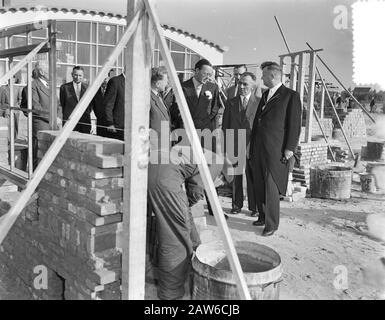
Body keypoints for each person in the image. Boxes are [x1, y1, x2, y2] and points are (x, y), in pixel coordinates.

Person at [147, 145, 231, 300]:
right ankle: (170, 294)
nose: (216, 186)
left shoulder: (203, 155)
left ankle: (147, 272)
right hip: (165, 176)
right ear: (222, 176)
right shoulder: (216, 164)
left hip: (148, 167)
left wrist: (197, 242)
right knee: (176, 240)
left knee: (152, 226)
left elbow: (185, 206)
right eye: (220, 184)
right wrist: (186, 210)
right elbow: (195, 191)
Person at [249, 61, 302, 236]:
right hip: (259, 147)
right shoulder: (265, 95)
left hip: (276, 149)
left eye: (263, 75)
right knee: (259, 183)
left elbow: (294, 124)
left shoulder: (290, 96)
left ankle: (271, 224)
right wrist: (251, 144)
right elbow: (258, 121)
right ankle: (263, 216)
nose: (261, 77)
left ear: (272, 76)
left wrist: (290, 148)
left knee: (271, 186)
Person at [222, 72, 259, 216]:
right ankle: (236, 205)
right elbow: (225, 126)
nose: (242, 86)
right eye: (240, 83)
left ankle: (254, 208)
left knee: (252, 176)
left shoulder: (259, 102)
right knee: (236, 176)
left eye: (246, 84)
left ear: (253, 85)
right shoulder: (231, 102)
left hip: (252, 145)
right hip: (234, 143)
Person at [31, 63, 59, 169]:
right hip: (42, 124)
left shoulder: (50, 84)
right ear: (41, 72)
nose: (53, 73)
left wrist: (59, 117)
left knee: (50, 155)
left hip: (54, 124)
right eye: (50, 70)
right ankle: (35, 182)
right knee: (39, 155)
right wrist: (53, 118)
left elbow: (58, 104)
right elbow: (36, 107)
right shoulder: (33, 85)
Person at [179, 59, 220, 131]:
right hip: (187, 130)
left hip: (205, 130)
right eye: (205, 74)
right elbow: (176, 109)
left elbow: (215, 108)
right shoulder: (182, 87)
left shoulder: (213, 87)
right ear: (197, 71)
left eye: (210, 75)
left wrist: (203, 122)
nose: (208, 77)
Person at [60, 66, 93, 134]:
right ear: (72, 74)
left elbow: (90, 105)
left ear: (83, 75)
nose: (78, 77)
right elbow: (63, 104)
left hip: (84, 122)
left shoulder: (88, 88)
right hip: (69, 122)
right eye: (75, 75)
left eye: (80, 75)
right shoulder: (64, 88)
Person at [150, 67, 171, 152]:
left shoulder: (158, 96)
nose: (167, 83)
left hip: (163, 144)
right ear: (158, 84)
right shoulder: (147, 98)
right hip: (154, 146)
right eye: (166, 81)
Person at [104, 71, 125, 140]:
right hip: (117, 127)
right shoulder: (115, 81)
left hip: (131, 127)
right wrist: (110, 123)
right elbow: (108, 104)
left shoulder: (135, 82)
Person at [92, 70, 112, 138]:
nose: (104, 80)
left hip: (111, 123)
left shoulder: (113, 88)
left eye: (106, 78)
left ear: (109, 78)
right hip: (100, 122)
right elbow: (93, 106)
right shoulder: (95, 91)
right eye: (102, 78)